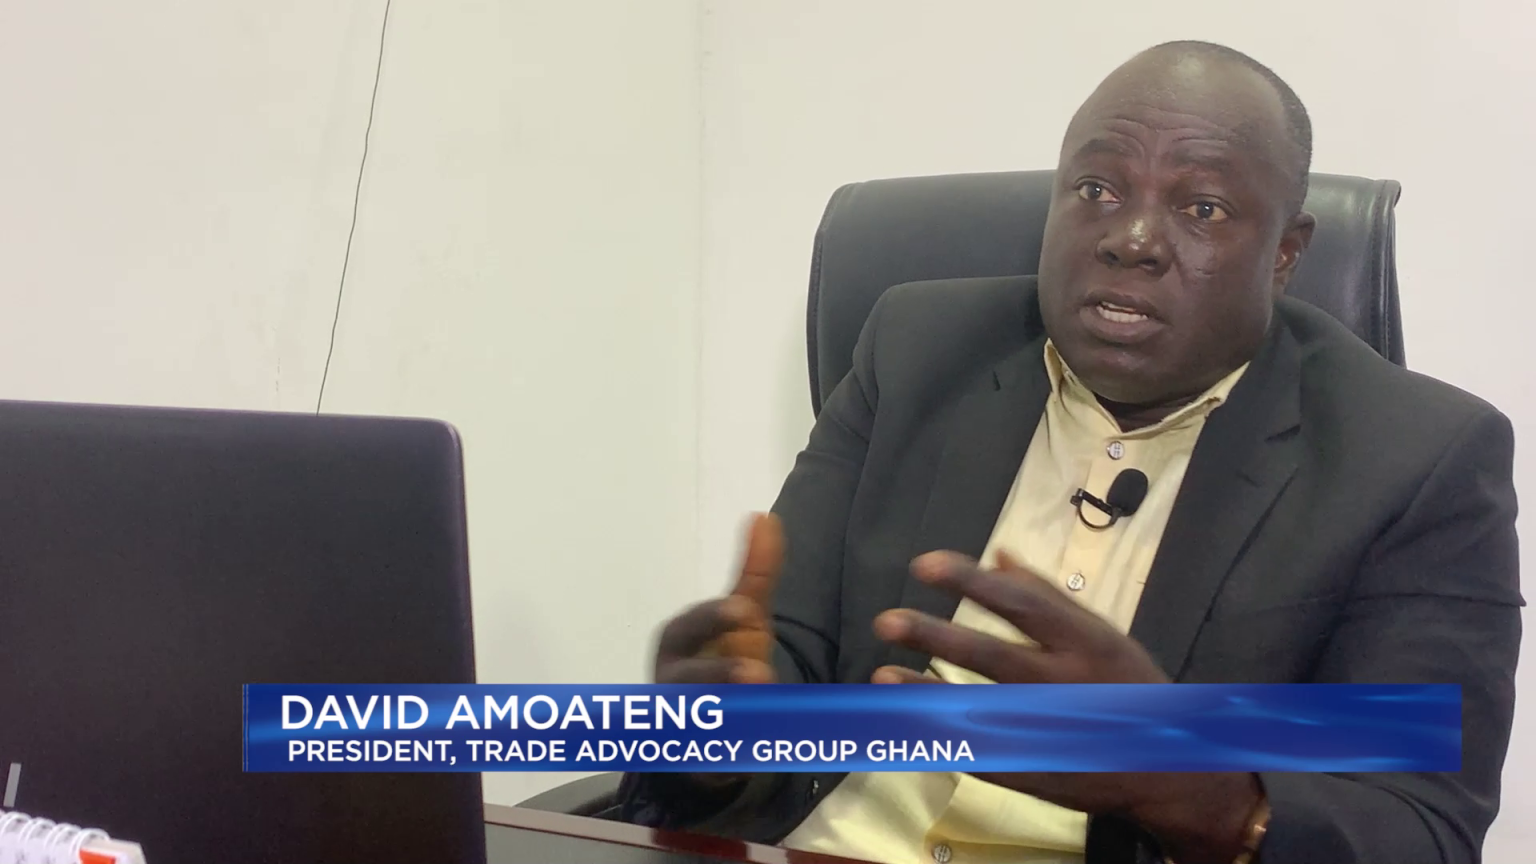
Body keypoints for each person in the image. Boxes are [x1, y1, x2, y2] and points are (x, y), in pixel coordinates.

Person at [617, 40, 1522, 864]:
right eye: (1097, 190)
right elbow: (784, 664)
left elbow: (1419, 827)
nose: (1132, 240)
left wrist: (1186, 785)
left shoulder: (1417, 461)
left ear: (1285, 254)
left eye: (1202, 207)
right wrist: (707, 729)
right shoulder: (915, 350)